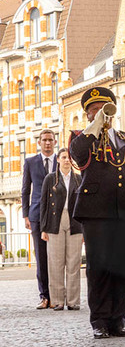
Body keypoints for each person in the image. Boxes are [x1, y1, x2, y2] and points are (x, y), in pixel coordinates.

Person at [69, 87, 125, 338]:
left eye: (104, 109)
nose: (100, 114)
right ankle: (99, 320)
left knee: (121, 267)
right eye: (93, 110)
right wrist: (95, 126)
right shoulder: (82, 137)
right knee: (99, 267)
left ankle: (118, 319)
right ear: (87, 115)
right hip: (95, 212)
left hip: (124, 210)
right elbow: (77, 154)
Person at [38, 148, 83, 311]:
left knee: (73, 263)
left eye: (69, 158)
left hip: (75, 222)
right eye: (63, 157)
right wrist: (43, 228)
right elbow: (43, 205)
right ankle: (57, 300)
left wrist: (84, 227)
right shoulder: (50, 179)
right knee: (55, 262)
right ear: (58, 160)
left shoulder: (78, 179)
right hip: (54, 222)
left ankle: (73, 301)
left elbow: (84, 205)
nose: (66, 160)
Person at [22, 128, 57, 309]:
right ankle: (45, 296)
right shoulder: (30, 162)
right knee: (42, 258)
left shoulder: (62, 161)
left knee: (57, 257)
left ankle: (58, 296)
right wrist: (26, 215)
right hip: (36, 216)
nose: (47, 143)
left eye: (50, 140)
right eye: (44, 140)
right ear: (39, 143)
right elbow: (25, 190)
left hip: (58, 215)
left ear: (55, 142)